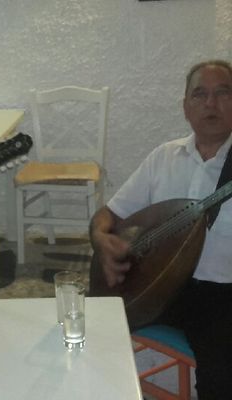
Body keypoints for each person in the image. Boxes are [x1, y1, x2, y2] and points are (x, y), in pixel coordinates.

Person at [89, 60, 232, 400]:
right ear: (186, 107)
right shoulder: (163, 157)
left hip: (220, 297)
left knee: (221, 381)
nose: (210, 104)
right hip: (155, 284)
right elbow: (108, 214)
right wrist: (100, 240)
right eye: (200, 94)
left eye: (223, 93)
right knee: (83, 337)